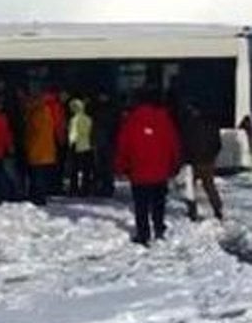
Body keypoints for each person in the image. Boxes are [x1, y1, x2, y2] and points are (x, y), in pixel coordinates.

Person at [115, 87, 180, 246]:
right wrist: (174, 164)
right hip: (160, 169)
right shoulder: (164, 119)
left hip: (139, 170)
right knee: (159, 201)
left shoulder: (131, 120)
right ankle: (158, 227)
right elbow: (174, 144)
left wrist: (121, 166)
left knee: (141, 205)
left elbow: (123, 146)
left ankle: (143, 234)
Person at [180, 104, 223, 220]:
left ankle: (192, 210)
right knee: (209, 185)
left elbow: (184, 144)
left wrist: (184, 159)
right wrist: (212, 155)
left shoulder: (188, 125)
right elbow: (218, 144)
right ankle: (217, 208)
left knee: (190, 186)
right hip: (208, 160)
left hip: (193, 160)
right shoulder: (211, 125)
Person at [24, 93, 57, 206]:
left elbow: (31, 132)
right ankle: (40, 196)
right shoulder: (47, 112)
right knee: (42, 175)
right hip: (47, 150)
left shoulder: (35, 114)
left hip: (36, 150)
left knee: (37, 176)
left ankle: (37, 198)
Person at [91, 92, 118, 197]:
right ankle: (105, 187)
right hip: (105, 141)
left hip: (104, 141)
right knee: (104, 166)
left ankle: (104, 187)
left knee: (104, 166)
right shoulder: (110, 110)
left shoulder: (98, 110)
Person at [67, 97, 94, 196]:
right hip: (87, 146)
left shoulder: (74, 119)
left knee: (74, 169)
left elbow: (72, 133)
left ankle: (73, 188)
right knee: (86, 169)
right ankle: (85, 189)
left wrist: (70, 143)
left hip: (76, 146)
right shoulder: (88, 118)